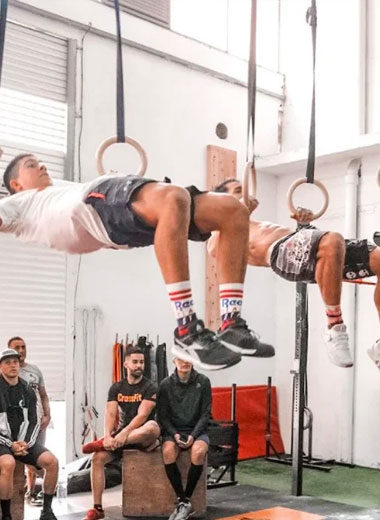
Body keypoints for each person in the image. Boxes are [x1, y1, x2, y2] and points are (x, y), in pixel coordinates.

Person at [0, 153, 274, 371]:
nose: (42, 165)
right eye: (32, 164)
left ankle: (231, 324)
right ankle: (187, 330)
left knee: (233, 210)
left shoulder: (56, 187)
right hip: (93, 205)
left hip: (116, 213)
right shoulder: (18, 204)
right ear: (16, 184)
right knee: (173, 195)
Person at [209, 178, 380, 369]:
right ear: (222, 200)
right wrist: (240, 212)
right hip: (280, 254)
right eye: (239, 190)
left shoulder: (258, 224)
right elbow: (216, 249)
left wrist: (303, 225)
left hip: (304, 242)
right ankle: (335, 326)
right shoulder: (222, 233)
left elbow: (306, 243)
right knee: (332, 239)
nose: (246, 194)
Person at [82, 345, 160, 520]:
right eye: (135, 362)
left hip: (142, 437)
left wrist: (123, 434)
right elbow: (110, 414)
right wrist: (108, 435)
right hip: (121, 438)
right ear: (125, 364)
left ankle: (104, 443)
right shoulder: (116, 387)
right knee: (97, 458)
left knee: (153, 426)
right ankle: (97, 508)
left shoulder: (151, 387)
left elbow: (142, 415)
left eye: (142, 362)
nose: (139, 365)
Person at [0, 348, 58, 520]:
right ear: (1, 366)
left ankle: (46, 511)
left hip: (24, 443)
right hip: (3, 442)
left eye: (15, 362)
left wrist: (26, 443)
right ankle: (7, 515)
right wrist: (11, 444)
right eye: (8, 362)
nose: (13, 366)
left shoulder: (28, 389)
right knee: (8, 464)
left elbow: (35, 421)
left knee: (52, 462)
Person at [157, 357, 211, 520]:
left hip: (197, 430)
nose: (185, 362)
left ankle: (185, 501)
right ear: (174, 360)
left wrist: (194, 435)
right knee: (167, 452)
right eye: (181, 358)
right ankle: (183, 501)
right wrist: (174, 434)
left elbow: (205, 413)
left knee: (199, 452)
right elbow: (163, 416)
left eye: (188, 358)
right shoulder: (165, 385)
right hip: (174, 431)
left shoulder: (203, 381)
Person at [7, 336, 51, 506]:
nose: (21, 350)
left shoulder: (35, 370)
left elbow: (44, 395)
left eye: (23, 346)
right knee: (21, 457)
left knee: (35, 454)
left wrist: (47, 415)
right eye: (17, 347)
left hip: (38, 422)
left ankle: (31, 493)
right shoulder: (7, 372)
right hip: (16, 424)